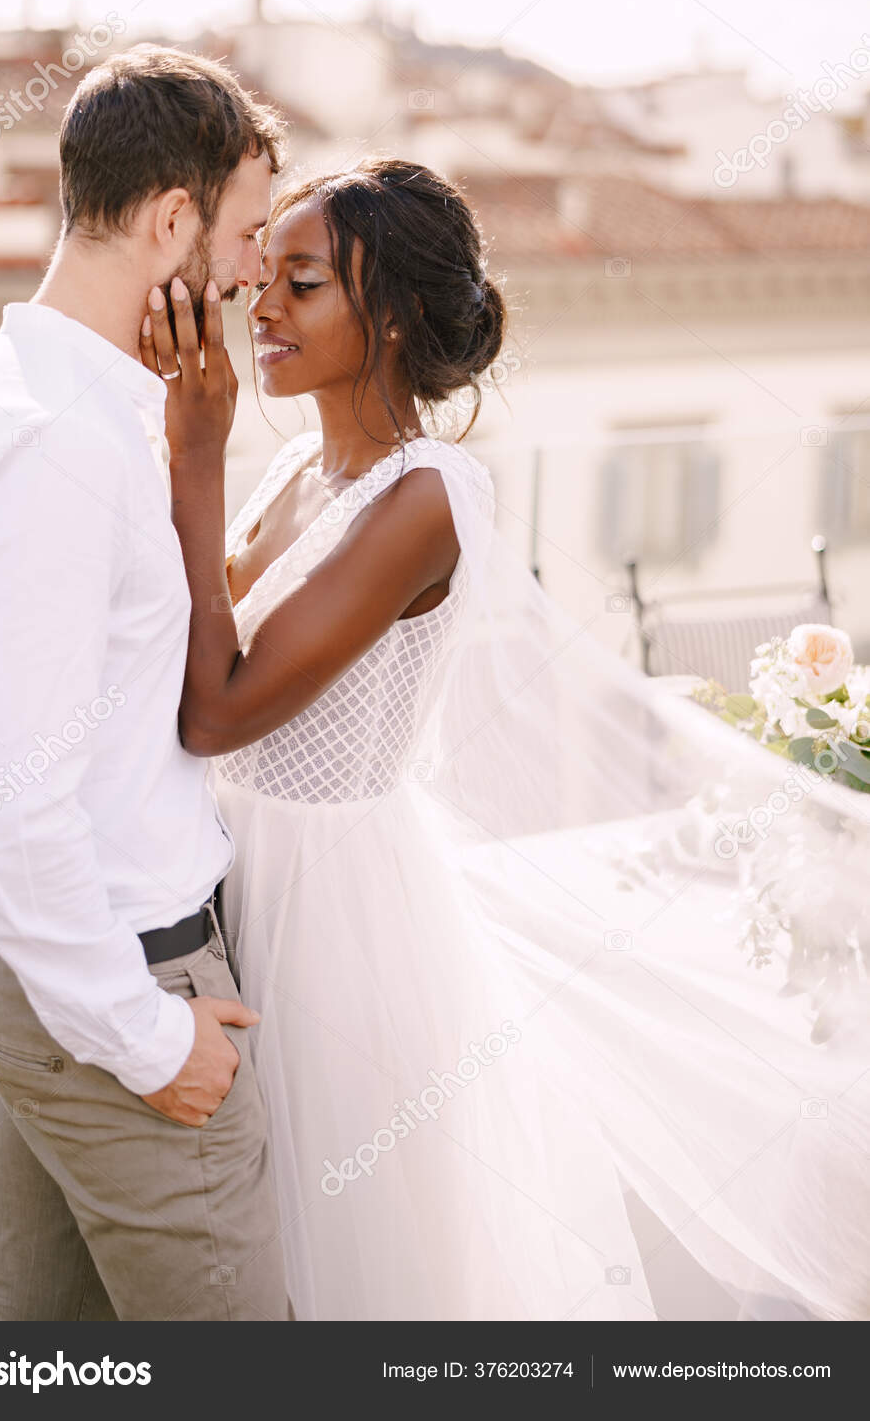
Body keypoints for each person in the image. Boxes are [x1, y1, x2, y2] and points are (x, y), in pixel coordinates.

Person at [141, 155, 870, 1322]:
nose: (261, 307)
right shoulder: (292, 468)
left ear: (392, 316)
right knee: (246, 1230)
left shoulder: (426, 497)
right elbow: (191, 630)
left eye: (303, 281)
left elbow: (218, 705)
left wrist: (190, 456)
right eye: (262, 275)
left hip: (329, 910)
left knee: (340, 1242)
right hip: (230, 870)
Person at [0, 45, 292, 1322]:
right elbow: (11, 803)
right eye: (244, 230)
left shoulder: (8, 390)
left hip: (44, 971)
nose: (251, 271)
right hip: (110, 985)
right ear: (171, 219)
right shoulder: (61, 447)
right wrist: (154, 1041)